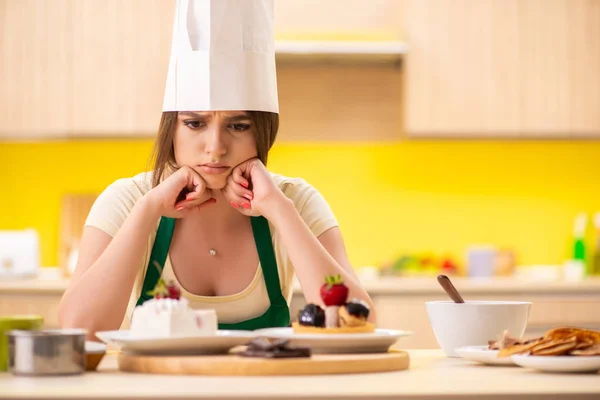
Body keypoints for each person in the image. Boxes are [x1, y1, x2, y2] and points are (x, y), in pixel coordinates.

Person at [58, 0, 375, 338]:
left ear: (262, 131)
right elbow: (80, 330)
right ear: (172, 128)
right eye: (195, 123)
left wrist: (280, 211)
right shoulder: (128, 200)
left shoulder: (295, 200)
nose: (216, 147)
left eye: (238, 126)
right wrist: (148, 211)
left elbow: (356, 324)